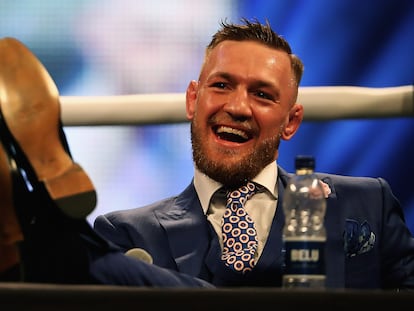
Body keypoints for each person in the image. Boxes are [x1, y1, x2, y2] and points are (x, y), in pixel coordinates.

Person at [1, 18, 414, 290]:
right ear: (191, 102)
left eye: (262, 94)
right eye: (221, 86)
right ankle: (35, 217)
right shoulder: (127, 231)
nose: (236, 106)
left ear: (291, 122)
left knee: (77, 254)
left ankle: (36, 217)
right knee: (84, 265)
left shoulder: (366, 202)